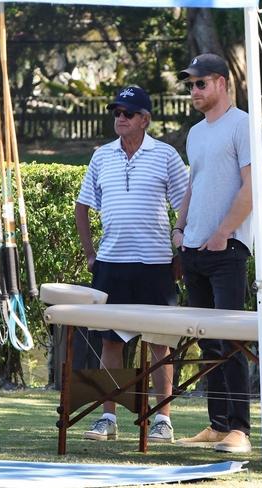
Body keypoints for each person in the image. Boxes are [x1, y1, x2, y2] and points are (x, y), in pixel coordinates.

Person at [75, 86, 189, 444]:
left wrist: (180, 252)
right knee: (112, 343)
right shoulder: (101, 156)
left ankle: (162, 421)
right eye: (117, 112)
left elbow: (187, 206)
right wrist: (91, 254)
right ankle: (108, 417)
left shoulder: (166, 155)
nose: (120, 118)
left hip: (156, 265)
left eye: (128, 112)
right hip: (110, 265)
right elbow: (83, 206)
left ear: (145, 119)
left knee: (160, 343)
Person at [172, 53, 253, 454]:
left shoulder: (243, 124)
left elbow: (250, 188)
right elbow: (194, 183)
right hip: (194, 248)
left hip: (229, 248)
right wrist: (180, 227)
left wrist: (223, 233)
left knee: (230, 339)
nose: (194, 91)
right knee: (207, 342)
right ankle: (218, 425)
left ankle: (240, 429)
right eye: (190, 85)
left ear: (221, 82)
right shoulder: (195, 133)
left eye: (200, 83)